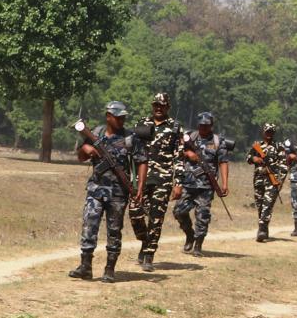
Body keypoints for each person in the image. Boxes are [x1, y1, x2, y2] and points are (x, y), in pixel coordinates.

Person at [70, 101, 146, 283]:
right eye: (117, 116)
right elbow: (81, 157)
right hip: (96, 188)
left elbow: (142, 161)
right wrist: (86, 149)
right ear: (108, 116)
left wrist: (140, 187)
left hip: (119, 191)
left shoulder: (130, 138)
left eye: (123, 117)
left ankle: (110, 269)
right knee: (89, 226)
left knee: (114, 230)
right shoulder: (96, 133)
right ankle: (85, 266)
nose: (121, 120)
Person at [129, 92, 184, 271]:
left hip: (163, 179)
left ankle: (149, 254)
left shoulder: (175, 128)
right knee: (135, 212)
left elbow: (179, 157)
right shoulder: (142, 124)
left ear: (168, 107)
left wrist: (178, 183)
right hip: (141, 177)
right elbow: (132, 149)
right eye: (156, 105)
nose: (158, 108)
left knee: (156, 218)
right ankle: (144, 240)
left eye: (162, 105)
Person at [173, 111, 230, 257]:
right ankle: (189, 234)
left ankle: (198, 244)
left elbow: (223, 162)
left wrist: (224, 183)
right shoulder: (189, 137)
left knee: (202, 216)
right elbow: (176, 151)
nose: (204, 128)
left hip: (206, 186)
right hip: (188, 183)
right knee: (179, 211)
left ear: (211, 125)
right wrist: (187, 154)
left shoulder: (218, 141)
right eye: (202, 125)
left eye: (207, 126)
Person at [246, 123, 286, 242]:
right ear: (263, 133)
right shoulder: (257, 146)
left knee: (267, 205)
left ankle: (262, 229)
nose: (269, 134)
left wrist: (280, 181)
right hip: (258, 179)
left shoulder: (279, 146)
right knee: (260, 205)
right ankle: (264, 227)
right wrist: (255, 159)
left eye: (271, 132)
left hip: (272, 180)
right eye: (267, 132)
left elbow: (283, 165)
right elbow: (248, 157)